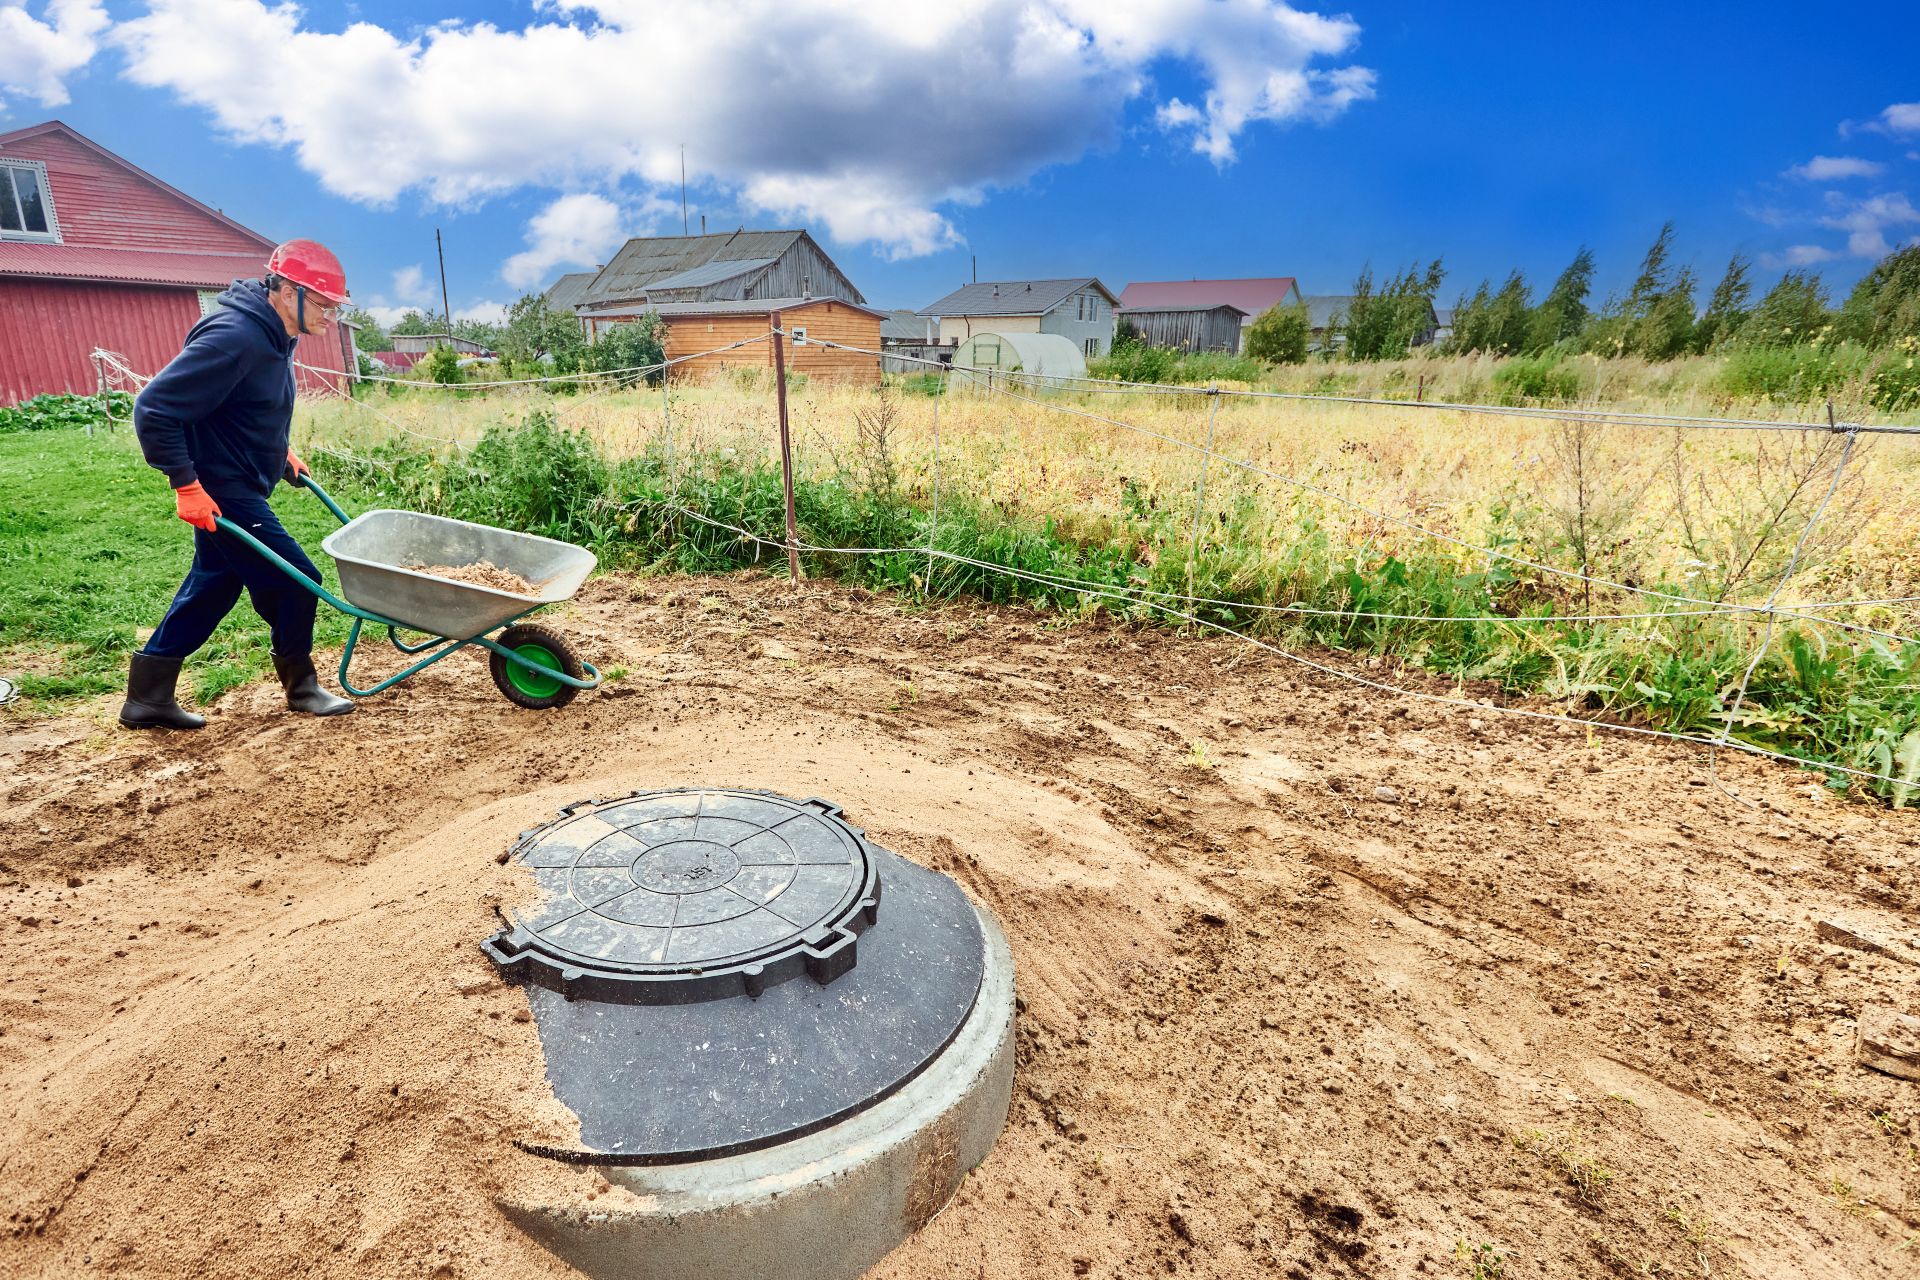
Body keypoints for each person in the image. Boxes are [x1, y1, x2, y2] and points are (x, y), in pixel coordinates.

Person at [120, 240, 356, 730]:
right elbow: (155, 409)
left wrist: (278, 450)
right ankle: (302, 685)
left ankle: (148, 696)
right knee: (298, 579)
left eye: (336, 306)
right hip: (222, 489)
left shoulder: (276, 332)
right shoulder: (236, 336)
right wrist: (186, 485)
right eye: (323, 304)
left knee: (212, 587)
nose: (331, 316)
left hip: (239, 475)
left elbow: (243, 404)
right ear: (286, 289)